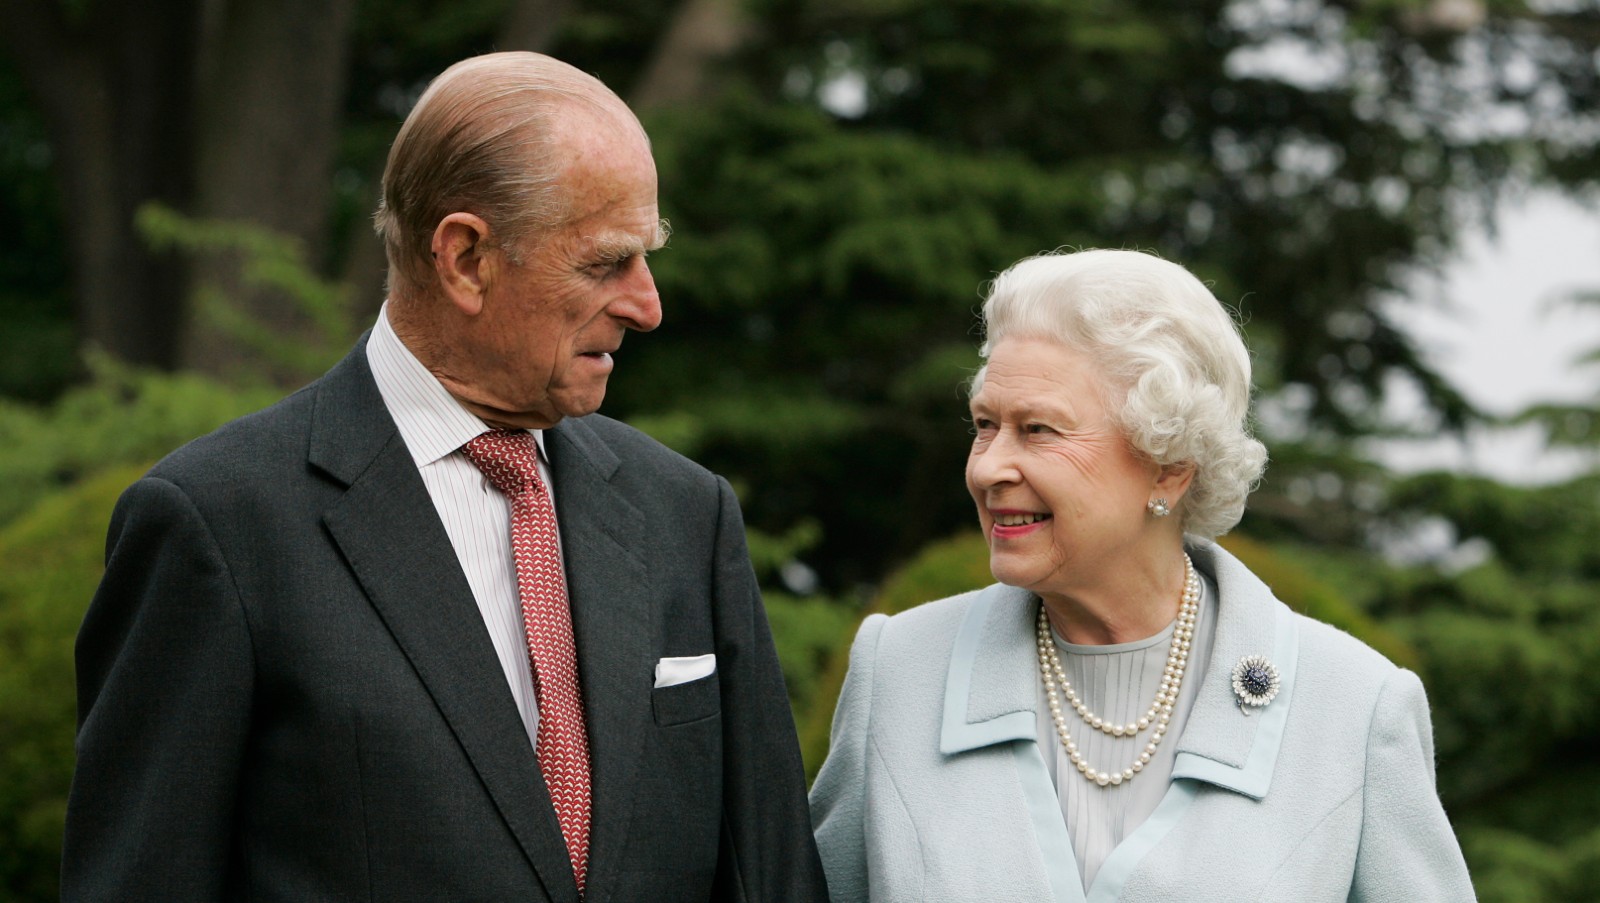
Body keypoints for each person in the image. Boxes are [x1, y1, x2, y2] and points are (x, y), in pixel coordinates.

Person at [63, 52, 828, 903]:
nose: (647, 304)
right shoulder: (218, 525)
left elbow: (774, 878)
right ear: (465, 258)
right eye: (606, 262)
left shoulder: (687, 513)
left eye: (646, 258)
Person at [809, 249, 1475, 901]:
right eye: (986, 424)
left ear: (1169, 466)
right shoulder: (899, 671)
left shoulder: (1354, 707)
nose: (988, 468)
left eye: (1038, 429)